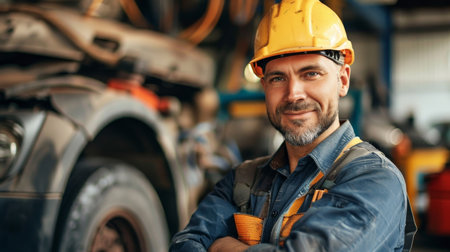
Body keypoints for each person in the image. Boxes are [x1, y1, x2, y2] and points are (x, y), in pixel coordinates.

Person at [169, 0, 416, 251]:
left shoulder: (375, 179)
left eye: (311, 74)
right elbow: (185, 244)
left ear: (342, 81)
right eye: (278, 78)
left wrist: (223, 246)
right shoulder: (242, 180)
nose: (293, 94)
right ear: (264, 87)